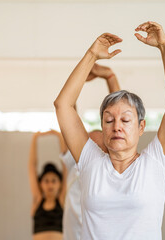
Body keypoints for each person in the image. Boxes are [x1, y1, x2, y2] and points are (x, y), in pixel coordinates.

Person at [54, 21, 165, 240]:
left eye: (126, 120)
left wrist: (164, 45)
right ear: (102, 127)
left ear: (141, 127)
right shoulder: (89, 160)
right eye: (108, 120)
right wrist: (91, 55)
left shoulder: (155, 161)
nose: (116, 126)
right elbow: (63, 105)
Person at [60, 63, 120, 240]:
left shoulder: (112, 168)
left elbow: (119, 113)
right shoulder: (74, 162)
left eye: (95, 144)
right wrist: (78, 81)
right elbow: (68, 112)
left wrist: (110, 76)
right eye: (86, 142)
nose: (87, 146)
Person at [28, 130, 67, 240]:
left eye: (54, 181)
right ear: (40, 184)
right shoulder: (38, 199)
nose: (50, 184)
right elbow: (32, 167)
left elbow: (65, 166)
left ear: (60, 183)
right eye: (46, 181)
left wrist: (60, 137)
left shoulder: (61, 200)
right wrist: (35, 138)